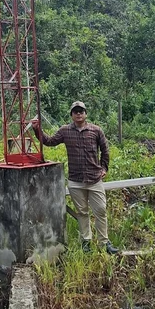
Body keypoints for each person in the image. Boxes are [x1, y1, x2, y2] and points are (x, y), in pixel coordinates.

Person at [32, 101, 119, 254]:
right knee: (82, 213)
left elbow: (105, 150)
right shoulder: (65, 131)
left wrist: (104, 168)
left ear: (86, 114)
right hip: (76, 180)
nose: (78, 114)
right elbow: (49, 141)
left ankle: (104, 243)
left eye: (81, 111)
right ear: (71, 115)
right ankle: (86, 242)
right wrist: (37, 129)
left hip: (95, 179)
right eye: (75, 111)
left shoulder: (96, 130)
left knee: (100, 210)